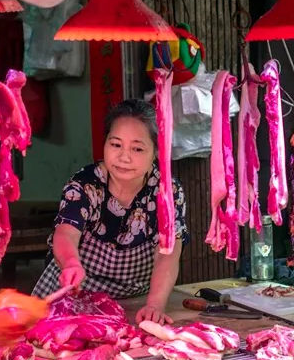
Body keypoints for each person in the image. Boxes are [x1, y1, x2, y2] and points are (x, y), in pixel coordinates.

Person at [31, 99, 189, 325]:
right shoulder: (85, 184)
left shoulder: (166, 191)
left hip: (136, 302)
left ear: (156, 152)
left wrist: (155, 305)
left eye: (137, 148)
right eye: (116, 145)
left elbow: (168, 253)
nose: (124, 157)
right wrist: (71, 263)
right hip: (73, 298)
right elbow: (65, 233)